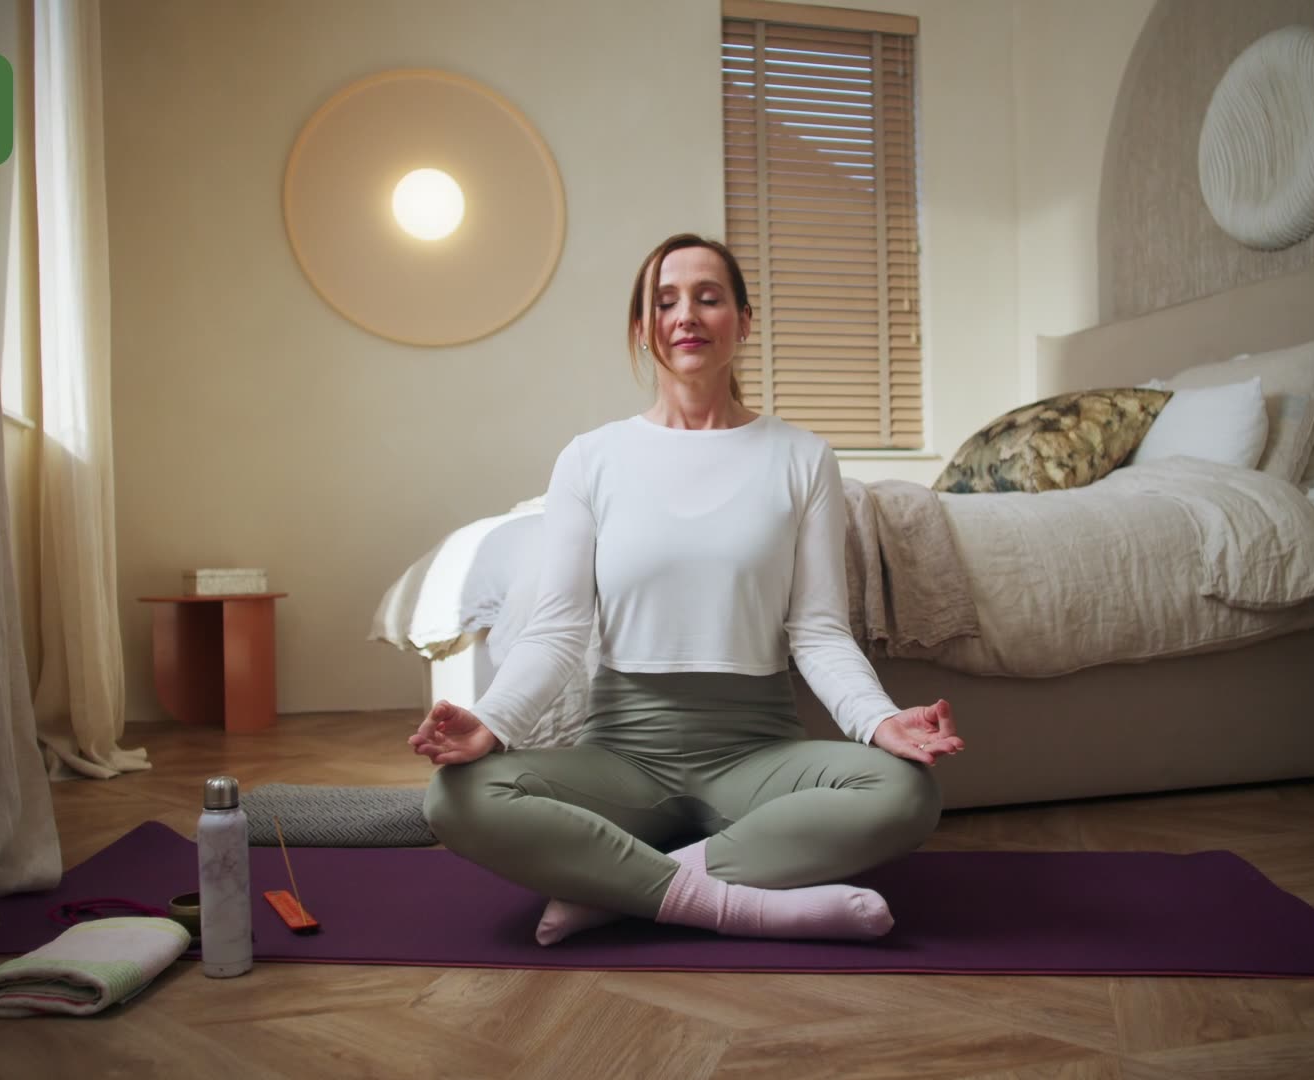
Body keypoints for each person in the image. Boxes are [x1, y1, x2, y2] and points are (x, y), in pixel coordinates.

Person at [411, 233, 964, 947]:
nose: (686, 316)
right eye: (664, 302)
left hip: (756, 752)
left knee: (906, 793)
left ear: (743, 318)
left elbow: (819, 630)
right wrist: (491, 725)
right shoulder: (591, 458)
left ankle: (615, 888)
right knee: (457, 799)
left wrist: (880, 722)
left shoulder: (802, 456)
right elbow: (556, 631)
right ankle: (736, 903)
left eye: (709, 298)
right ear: (642, 330)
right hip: (622, 756)